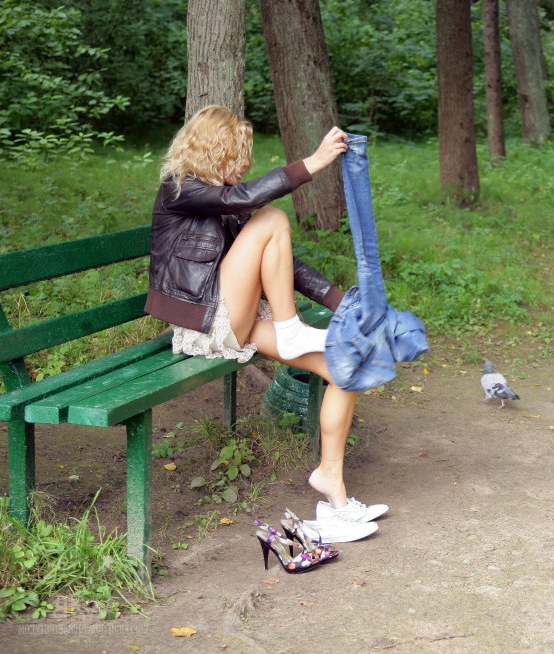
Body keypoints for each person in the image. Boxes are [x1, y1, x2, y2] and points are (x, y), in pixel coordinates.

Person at [146, 105, 387, 542]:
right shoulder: (179, 189)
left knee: (345, 370)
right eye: (238, 155)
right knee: (273, 217)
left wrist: (339, 302)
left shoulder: (225, 197)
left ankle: (332, 486)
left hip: (240, 313)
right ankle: (291, 327)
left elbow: (284, 264)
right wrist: (313, 162)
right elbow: (245, 201)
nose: (245, 164)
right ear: (215, 152)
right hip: (208, 324)